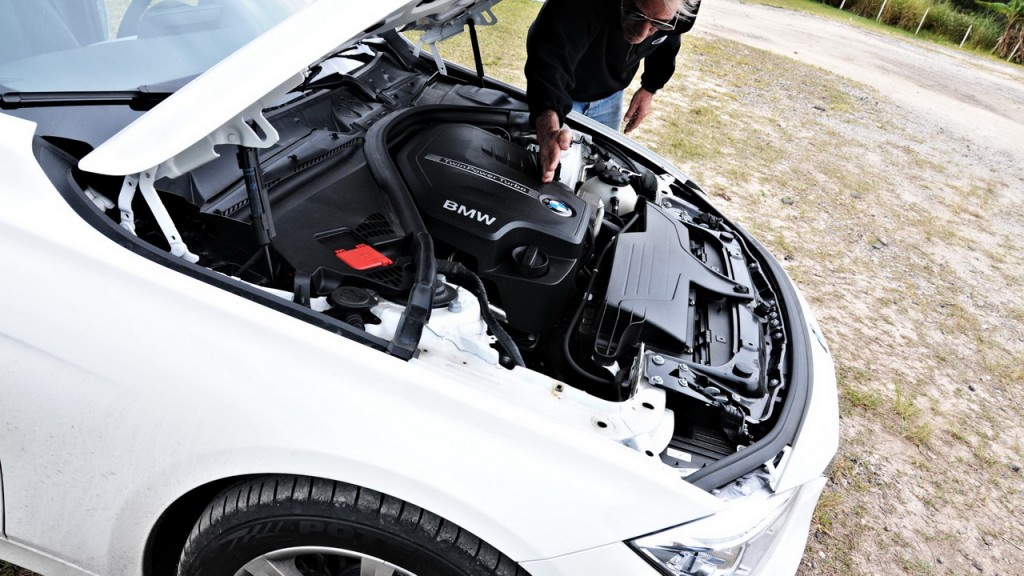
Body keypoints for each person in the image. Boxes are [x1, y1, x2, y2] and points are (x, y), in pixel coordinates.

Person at [525, 0, 701, 183]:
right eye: (635, 14)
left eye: (658, 23)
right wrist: (548, 128)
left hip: (610, 97)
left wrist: (650, 87)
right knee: (554, 168)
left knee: (599, 170)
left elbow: (669, 40)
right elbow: (549, 61)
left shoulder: (675, 15)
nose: (642, 33)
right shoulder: (576, 5)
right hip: (563, 94)